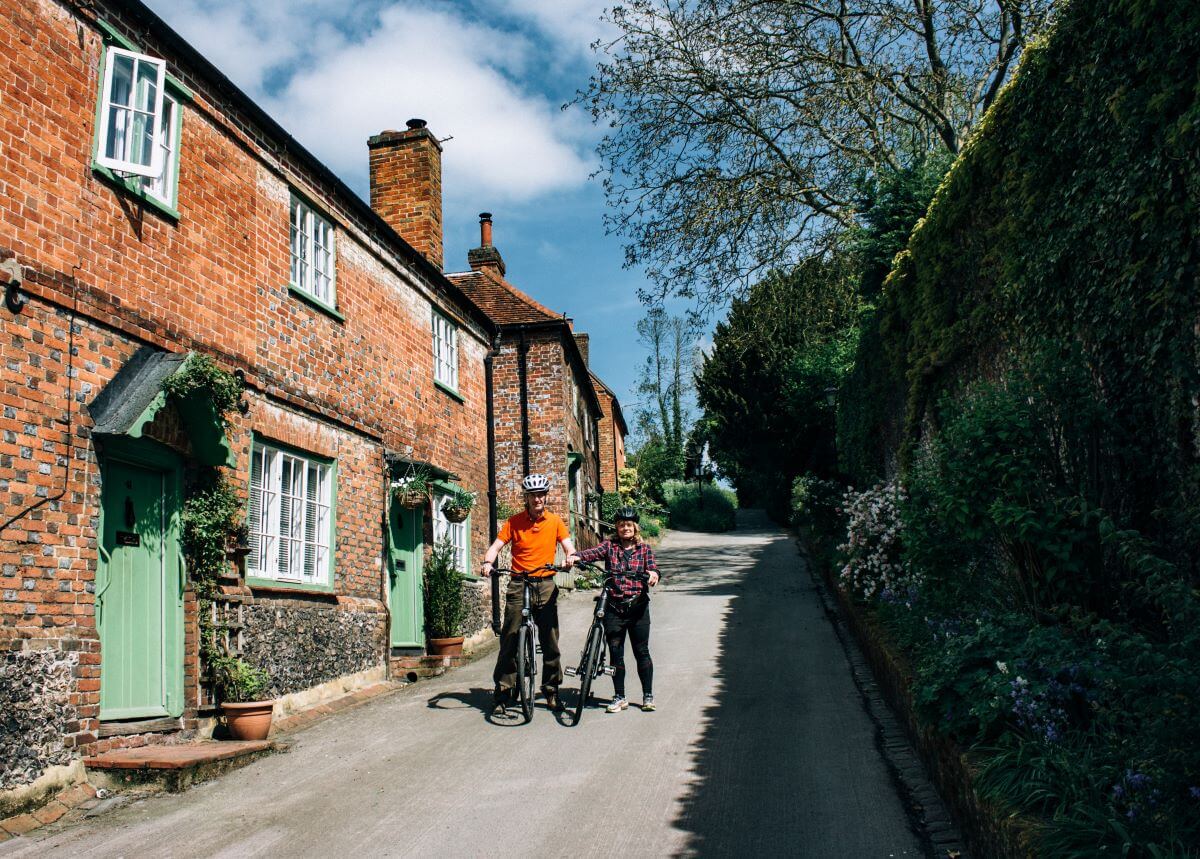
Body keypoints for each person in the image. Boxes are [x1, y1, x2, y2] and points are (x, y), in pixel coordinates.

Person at [480, 473, 577, 715]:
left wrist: (570, 557)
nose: (537, 499)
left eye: (541, 494)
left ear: (546, 496)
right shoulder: (513, 522)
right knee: (510, 637)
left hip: (545, 582)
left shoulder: (555, 521)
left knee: (550, 638)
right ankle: (503, 692)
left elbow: (568, 545)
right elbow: (496, 546)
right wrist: (487, 562)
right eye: (533, 495)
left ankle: (552, 689)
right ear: (527, 497)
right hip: (518, 582)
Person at [569, 506, 660, 713]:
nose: (625, 528)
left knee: (641, 651)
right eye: (621, 525)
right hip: (614, 608)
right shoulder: (609, 546)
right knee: (615, 653)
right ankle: (619, 697)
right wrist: (576, 556)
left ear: (635, 528)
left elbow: (653, 567)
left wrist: (654, 574)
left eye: (628, 525)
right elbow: (592, 553)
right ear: (617, 528)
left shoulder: (644, 550)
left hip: (638, 607)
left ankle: (647, 695)